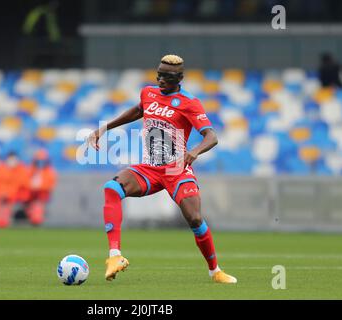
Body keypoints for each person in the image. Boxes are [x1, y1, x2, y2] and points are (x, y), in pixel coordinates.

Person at [87, 54, 237, 283]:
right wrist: (105, 127)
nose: (160, 79)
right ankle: (115, 256)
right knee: (111, 188)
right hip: (150, 168)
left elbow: (212, 136)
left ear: (179, 78)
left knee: (195, 219)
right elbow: (138, 111)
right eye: (159, 74)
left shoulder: (189, 102)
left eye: (167, 76)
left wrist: (194, 151)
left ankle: (215, 271)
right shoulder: (148, 93)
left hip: (176, 170)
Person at [25, 149, 57, 225]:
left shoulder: (49, 171)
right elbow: (25, 182)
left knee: (37, 209)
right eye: (38, 160)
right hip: (30, 196)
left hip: (42, 196)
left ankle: (36, 221)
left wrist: (39, 187)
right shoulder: (30, 170)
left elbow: (50, 185)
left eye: (42, 160)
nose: (40, 163)